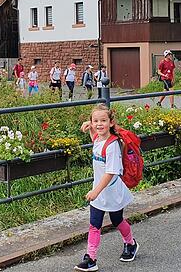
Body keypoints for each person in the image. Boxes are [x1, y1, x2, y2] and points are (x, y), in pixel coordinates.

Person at [74, 104, 138, 271]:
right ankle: (91, 258)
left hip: (112, 192)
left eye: (103, 120)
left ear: (111, 122)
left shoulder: (112, 146)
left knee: (117, 220)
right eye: (95, 121)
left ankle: (130, 243)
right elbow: (96, 142)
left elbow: (110, 172)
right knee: (94, 224)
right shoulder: (98, 139)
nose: (99, 124)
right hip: (99, 192)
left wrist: (95, 191)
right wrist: (90, 129)